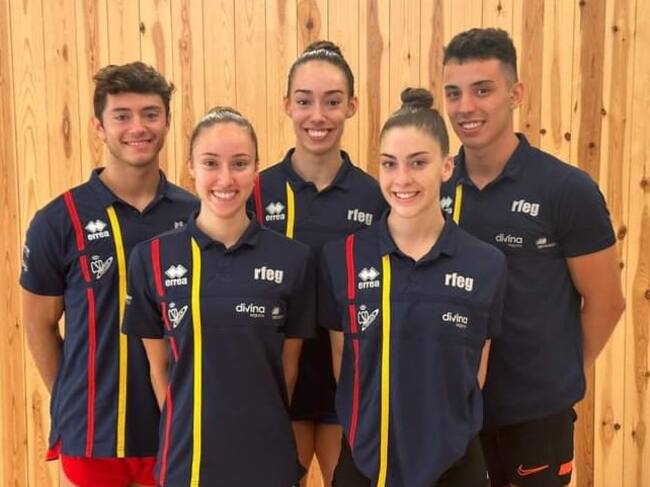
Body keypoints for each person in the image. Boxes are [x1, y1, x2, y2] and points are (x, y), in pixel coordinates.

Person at [441, 28, 626, 487]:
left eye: (482, 90)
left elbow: (607, 301)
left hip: (538, 419)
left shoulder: (566, 190)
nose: (466, 107)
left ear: (515, 94)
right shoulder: (433, 188)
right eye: (454, 93)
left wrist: (560, 375)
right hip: (455, 412)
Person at [20, 62, 198, 487]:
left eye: (151, 114)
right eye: (122, 115)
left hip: (177, 431)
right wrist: (74, 401)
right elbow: (39, 323)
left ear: (167, 121)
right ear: (99, 126)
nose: (138, 127)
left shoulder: (197, 216)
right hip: (92, 436)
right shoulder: (58, 219)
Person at [319, 87, 508, 487]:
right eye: (389, 164)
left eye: (418, 163)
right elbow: (344, 364)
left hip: (454, 463)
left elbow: (475, 371)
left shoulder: (485, 263)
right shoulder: (343, 258)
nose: (402, 179)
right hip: (366, 463)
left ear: (446, 166)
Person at [122, 107, 316, 486]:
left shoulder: (293, 259)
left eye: (239, 163)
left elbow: (287, 369)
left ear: (256, 169)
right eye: (211, 163)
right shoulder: (151, 258)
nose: (225, 179)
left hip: (267, 459)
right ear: (191, 168)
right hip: (188, 462)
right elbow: (159, 369)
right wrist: (186, 426)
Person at [249, 40, 387, 486]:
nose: (318, 115)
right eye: (305, 101)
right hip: (275, 384)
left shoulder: (376, 197)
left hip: (347, 387)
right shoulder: (254, 193)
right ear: (287, 105)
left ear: (352, 107)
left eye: (332, 101)